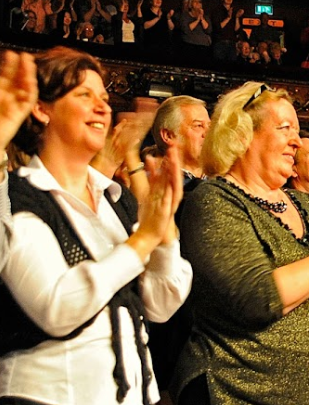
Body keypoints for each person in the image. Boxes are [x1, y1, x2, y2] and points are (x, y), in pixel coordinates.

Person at [172, 83, 309, 405]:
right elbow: (258, 300)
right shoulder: (213, 201)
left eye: (298, 129)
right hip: (238, 393)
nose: (297, 141)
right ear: (242, 134)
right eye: (285, 128)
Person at [0, 46, 192, 405]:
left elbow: (161, 305)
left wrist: (163, 230)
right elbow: (55, 307)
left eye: (104, 97)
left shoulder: (114, 202)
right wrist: (143, 239)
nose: (103, 106)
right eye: (84, 95)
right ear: (42, 109)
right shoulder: (18, 197)